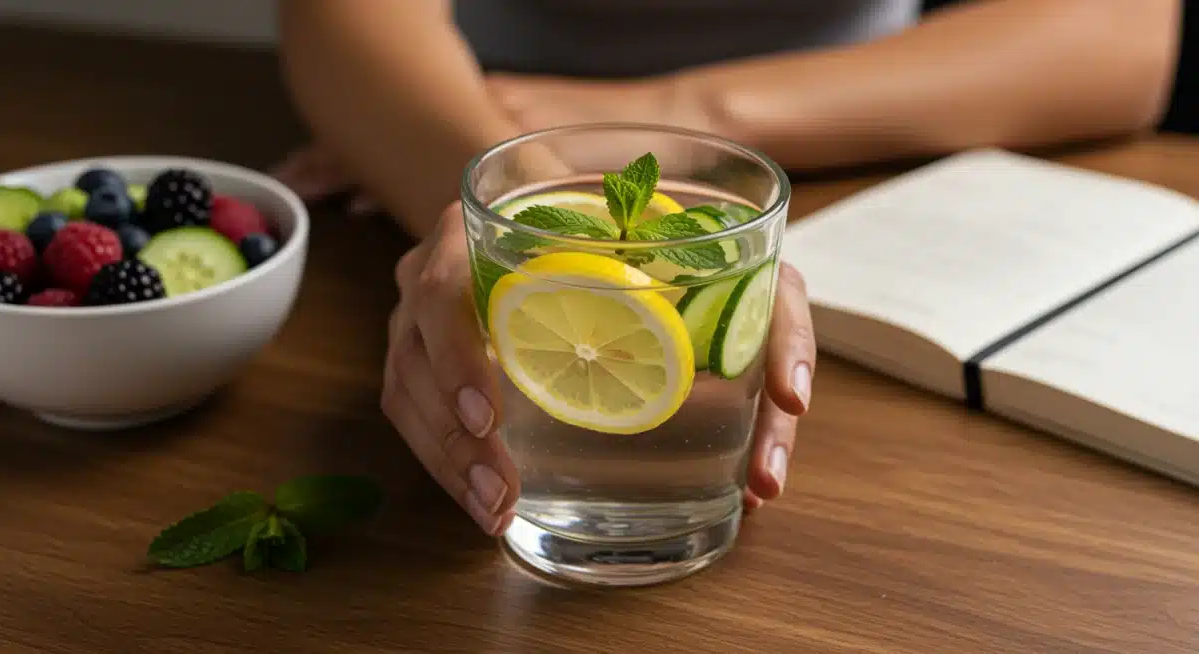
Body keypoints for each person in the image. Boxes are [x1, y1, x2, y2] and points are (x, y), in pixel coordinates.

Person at [271, 0, 1181, 536]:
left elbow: (1126, 32)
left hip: (875, 143)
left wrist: (683, 112)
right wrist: (506, 193)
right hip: (457, 127)